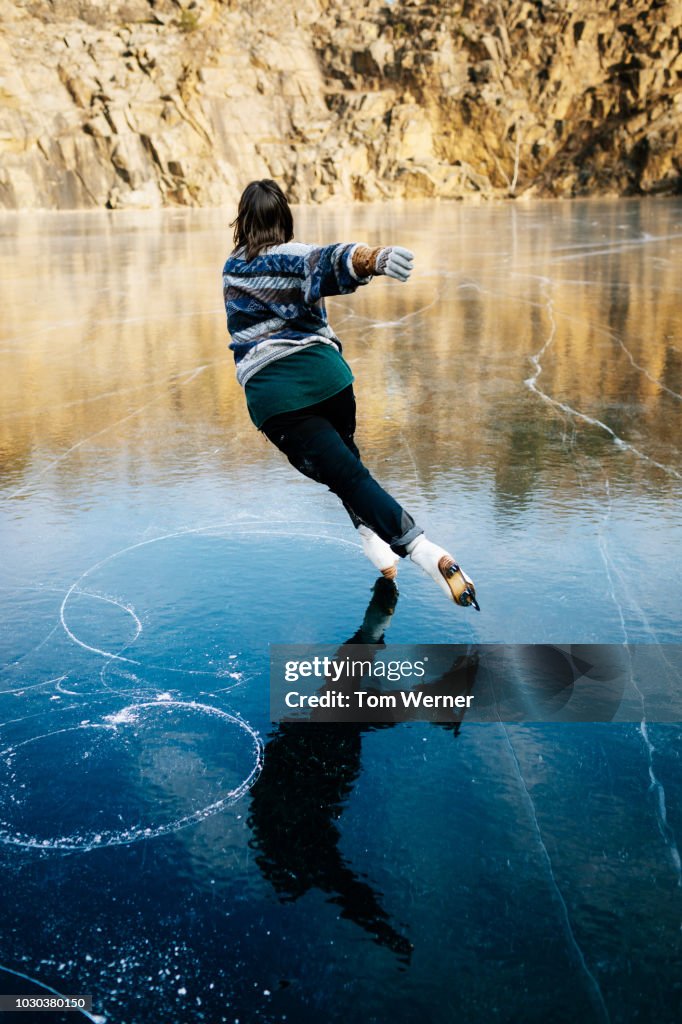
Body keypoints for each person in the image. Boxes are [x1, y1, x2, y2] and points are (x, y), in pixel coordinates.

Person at [222, 179, 478, 610]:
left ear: (243, 222)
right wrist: (375, 258)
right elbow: (332, 259)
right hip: (330, 379)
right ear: (284, 218)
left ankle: (422, 551)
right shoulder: (295, 254)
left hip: (279, 398)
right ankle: (375, 544)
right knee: (347, 468)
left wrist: (371, 258)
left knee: (348, 476)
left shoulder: (232, 268)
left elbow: (326, 259)